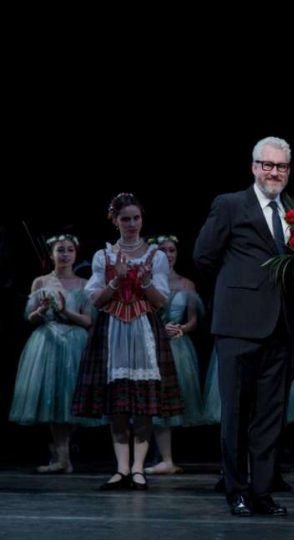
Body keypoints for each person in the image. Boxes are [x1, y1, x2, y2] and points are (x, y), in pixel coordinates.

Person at [194, 136, 294, 517]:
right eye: (267, 165)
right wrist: (234, 293)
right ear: (254, 167)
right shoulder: (230, 205)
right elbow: (203, 256)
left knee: (271, 417)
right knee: (236, 414)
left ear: (288, 171)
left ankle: (262, 492)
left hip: (280, 327)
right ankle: (236, 490)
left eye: (281, 166)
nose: (274, 172)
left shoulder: (293, 209)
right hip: (238, 326)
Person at [73, 194, 181, 490]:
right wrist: (116, 280)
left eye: (136, 218)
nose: (132, 224)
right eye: (125, 219)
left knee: (143, 403)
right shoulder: (103, 256)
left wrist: (145, 282)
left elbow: (160, 301)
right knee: (118, 404)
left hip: (144, 330)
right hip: (113, 332)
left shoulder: (155, 256)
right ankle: (121, 468)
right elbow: (95, 300)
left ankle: (138, 469)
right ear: (115, 221)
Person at [9, 234, 102, 472]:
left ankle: (62, 452)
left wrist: (65, 311)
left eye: (69, 250)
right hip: (48, 342)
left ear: (75, 254)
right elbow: (29, 317)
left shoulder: (83, 284)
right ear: (52, 254)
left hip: (74, 343)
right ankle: (62, 458)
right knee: (52, 401)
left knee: (70, 402)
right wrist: (41, 310)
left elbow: (88, 320)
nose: (65, 254)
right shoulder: (40, 282)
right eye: (60, 250)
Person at [146, 235, 211, 475]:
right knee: (156, 400)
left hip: (179, 347)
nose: (168, 254)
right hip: (153, 344)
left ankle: (166, 457)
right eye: (163, 251)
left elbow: (193, 319)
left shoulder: (186, 284)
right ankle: (162, 456)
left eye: (171, 250)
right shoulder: (148, 282)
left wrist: (182, 328)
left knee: (174, 401)